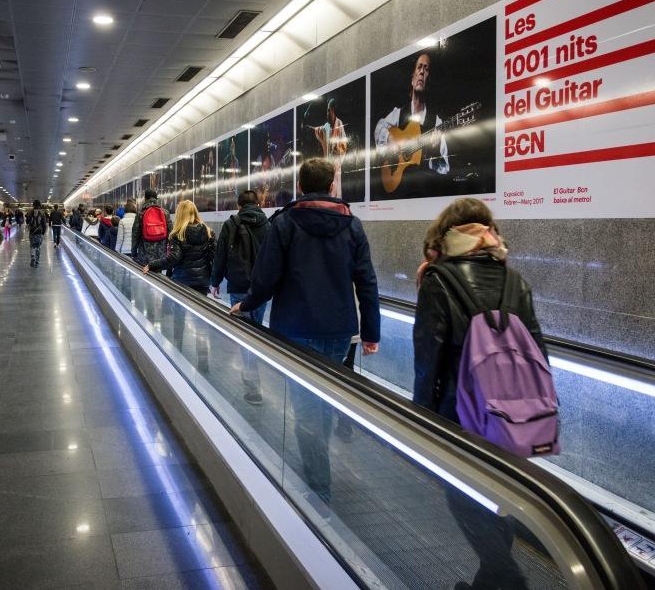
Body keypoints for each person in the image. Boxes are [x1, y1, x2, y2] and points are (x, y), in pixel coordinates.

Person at [230, 158, 380, 505]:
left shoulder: (284, 223)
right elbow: (367, 282)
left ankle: (318, 488)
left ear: (300, 186)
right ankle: (318, 473)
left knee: (305, 407)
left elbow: (266, 277)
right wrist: (371, 332)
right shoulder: (352, 225)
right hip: (340, 331)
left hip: (294, 328)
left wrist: (247, 304)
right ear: (331, 187)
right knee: (323, 400)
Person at [413, 198, 544, 590]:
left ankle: (505, 575)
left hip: (461, 409)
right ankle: (492, 576)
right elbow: (537, 347)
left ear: (446, 234)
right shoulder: (514, 279)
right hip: (514, 407)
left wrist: (420, 416)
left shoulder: (438, 279)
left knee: (462, 493)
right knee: (498, 490)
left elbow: (429, 354)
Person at [210, 190, 271, 404]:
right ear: (258, 203)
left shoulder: (231, 223)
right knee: (256, 326)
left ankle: (253, 384)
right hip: (261, 288)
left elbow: (221, 255)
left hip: (237, 284)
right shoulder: (268, 224)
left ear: (239, 205)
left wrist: (215, 282)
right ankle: (256, 370)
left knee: (245, 333)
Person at [143, 199, 214, 368]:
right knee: (201, 322)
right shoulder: (208, 232)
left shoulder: (177, 235)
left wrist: (152, 264)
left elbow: (173, 259)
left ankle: (177, 353)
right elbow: (213, 257)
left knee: (179, 320)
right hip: (202, 283)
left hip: (181, 283)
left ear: (180, 214)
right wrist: (212, 279)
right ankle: (203, 361)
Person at [373, 51, 449, 197]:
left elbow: (444, 169)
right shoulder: (399, 113)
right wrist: (390, 138)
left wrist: (434, 153)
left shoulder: (437, 123)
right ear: (412, 79)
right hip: (395, 190)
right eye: (419, 67)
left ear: (429, 80)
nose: (421, 72)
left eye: (426, 69)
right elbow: (379, 127)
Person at [304, 98, 348, 200]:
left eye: (328, 110)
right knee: (329, 190)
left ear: (333, 110)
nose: (327, 113)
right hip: (328, 165)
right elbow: (319, 129)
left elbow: (344, 143)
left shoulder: (339, 123)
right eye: (327, 111)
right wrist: (311, 128)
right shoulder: (327, 126)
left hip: (336, 164)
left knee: (337, 190)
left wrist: (338, 150)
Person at [131, 189, 172, 268]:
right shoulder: (165, 212)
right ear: (156, 199)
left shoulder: (140, 214)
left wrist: (133, 252)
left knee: (144, 274)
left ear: (145, 199)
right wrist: (169, 252)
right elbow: (170, 233)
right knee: (158, 277)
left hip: (144, 254)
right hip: (161, 255)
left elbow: (135, 234)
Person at [27, 200, 48, 268]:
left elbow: (27, 221)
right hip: (39, 233)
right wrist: (43, 232)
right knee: (38, 247)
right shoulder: (42, 214)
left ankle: (33, 257)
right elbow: (44, 225)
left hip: (32, 232)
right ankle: (37, 262)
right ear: (39, 205)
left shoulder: (30, 212)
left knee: (32, 246)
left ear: (33, 205)